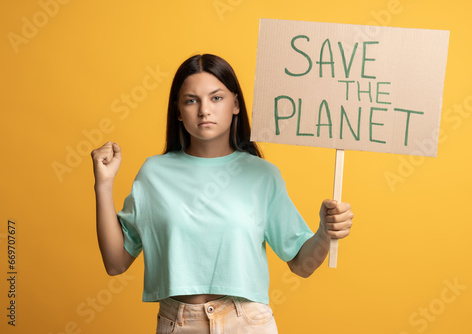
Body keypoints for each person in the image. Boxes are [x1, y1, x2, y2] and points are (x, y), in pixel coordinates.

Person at [91, 54, 354, 334]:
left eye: (216, 98)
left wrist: (325, 232)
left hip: (247, 323)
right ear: (178, 111)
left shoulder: (262, 175)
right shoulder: (153, 173)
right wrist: (103, 185)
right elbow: (115, 263)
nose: (204, 110)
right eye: (191, 100)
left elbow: (302, 265)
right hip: (178, 324)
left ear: (236, 104)